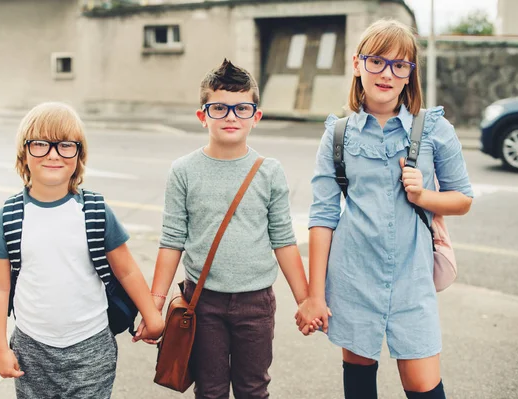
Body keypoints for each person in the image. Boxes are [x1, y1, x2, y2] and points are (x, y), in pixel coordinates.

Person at [295, 19, 474, 399]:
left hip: (412, 280)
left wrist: (424, 196)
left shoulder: (435, 130)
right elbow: (323, 217)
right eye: (376, 61)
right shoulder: (338, 134)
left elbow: (463, 200)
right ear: (357, 64)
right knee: (359, 384)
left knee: (424, 387)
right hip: (352, 275)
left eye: (399, 65)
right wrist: (315, 295)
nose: (387, 74)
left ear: (410, 74)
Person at [138, 59, 312, 398]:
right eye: (219, 107)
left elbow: (284, 240)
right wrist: (154, 305)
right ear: (203, 115)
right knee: (210, 390)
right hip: (202, 302)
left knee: (253, 388)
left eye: (241, 108)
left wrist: (305, 300)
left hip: (256, 303)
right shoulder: (184, 171)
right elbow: (172, 240)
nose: (231, 116)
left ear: (255, 117)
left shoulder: (269, 172)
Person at [0, 102, 164, 398]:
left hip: (91, 346)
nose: (53, 154)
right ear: (24, 154)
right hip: (32, 350)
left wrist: (151, 315)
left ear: (79, 155)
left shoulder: (95, 210)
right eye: (40, 144)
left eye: (66, 145)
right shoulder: (7, 217)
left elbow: (126, 269)